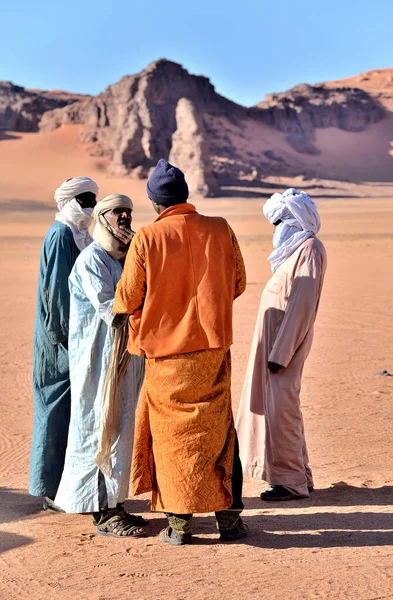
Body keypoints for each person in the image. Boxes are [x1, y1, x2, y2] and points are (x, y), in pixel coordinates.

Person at [113, 159, 248, 546]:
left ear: (156, 203)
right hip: (211, 350)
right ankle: (229, 521)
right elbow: (237, 282)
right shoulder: (220, 228)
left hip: (165, 358)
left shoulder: (147, 238)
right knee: (219, 433)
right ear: (186, 196)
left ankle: (179, 525)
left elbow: (127, 297)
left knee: (173, 438)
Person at [54, 194, 146, 537]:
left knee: (121, 428)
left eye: (128, 211)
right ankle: (101, 512)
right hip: (97, 360)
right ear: (103, 218)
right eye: (116, 212)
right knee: (97, 427)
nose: (123, 217)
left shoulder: (126, 257)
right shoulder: (93, 259)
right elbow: (113, 308)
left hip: (124, 357)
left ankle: (115, 503)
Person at [236, 188, 327, 501]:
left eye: (277, 223)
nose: (274, 230)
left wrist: (281, 353)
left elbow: (302, 305)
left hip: (284, 348)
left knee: (282, 412)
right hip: (275, 346)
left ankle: (290, 483)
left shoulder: (310, 248)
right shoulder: (297, 249)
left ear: (292, 220)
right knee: (280, 410)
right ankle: (299, 476)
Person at [29, 176, 99, 508]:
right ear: (69, 201)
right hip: (60, 340)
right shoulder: (60, 235)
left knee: (72, 411)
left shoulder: (79, 235)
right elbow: (56, 293)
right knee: (56, 409)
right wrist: (67, 339)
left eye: (93, 198)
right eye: (85, 198)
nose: (91, 205)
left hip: (76, 335)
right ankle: (48, 487)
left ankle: (66, 484)